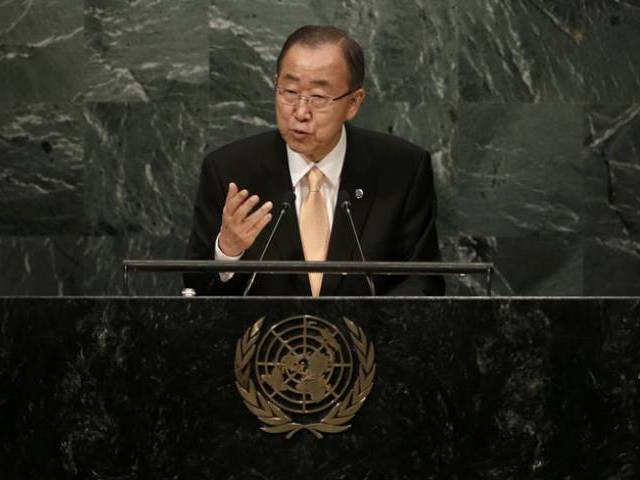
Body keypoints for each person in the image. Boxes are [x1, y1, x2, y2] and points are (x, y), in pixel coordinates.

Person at [184, 25, 445, 296]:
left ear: (354, 103)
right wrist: (228, 251)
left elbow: (423, 281)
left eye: (318, 97)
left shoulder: (402, 170)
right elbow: (194, 289)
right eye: (289, 91)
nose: (300, 112)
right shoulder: (229, 170)